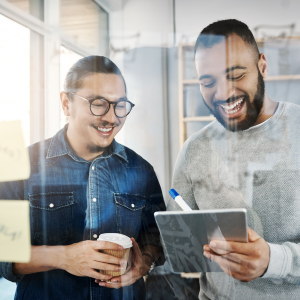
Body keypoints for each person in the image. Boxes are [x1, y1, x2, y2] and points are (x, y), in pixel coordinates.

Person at [0, 56, 166, 300]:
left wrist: (143, 264)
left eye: (120, 105)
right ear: (66, 103)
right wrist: (64, 257)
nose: (111, 118)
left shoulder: (141, 170)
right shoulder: (20, 166)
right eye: (99, 103)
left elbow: (155, 238)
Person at [167, 19, 300, 299]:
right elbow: (178, 247)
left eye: (236, 75)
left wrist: (272, 261)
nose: (224, 93)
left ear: (262, 66)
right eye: (208, 82)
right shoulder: (194, 150)